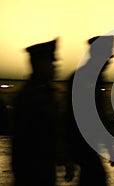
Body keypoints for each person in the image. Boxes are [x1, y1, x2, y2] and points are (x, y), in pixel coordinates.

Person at [11, 38, 72, 185]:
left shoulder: (43, 92)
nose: (55, 67)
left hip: (43, 168)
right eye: (51, 63)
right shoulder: (32, 96)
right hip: (34, 172)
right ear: (38, 64)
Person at [66, 35, 114, 186]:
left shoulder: (94, 77)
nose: (109, 61)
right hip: (81, 142)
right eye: (107, 56)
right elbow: (79, 116)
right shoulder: (84, 78)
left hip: (86, 143)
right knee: (96, 177)